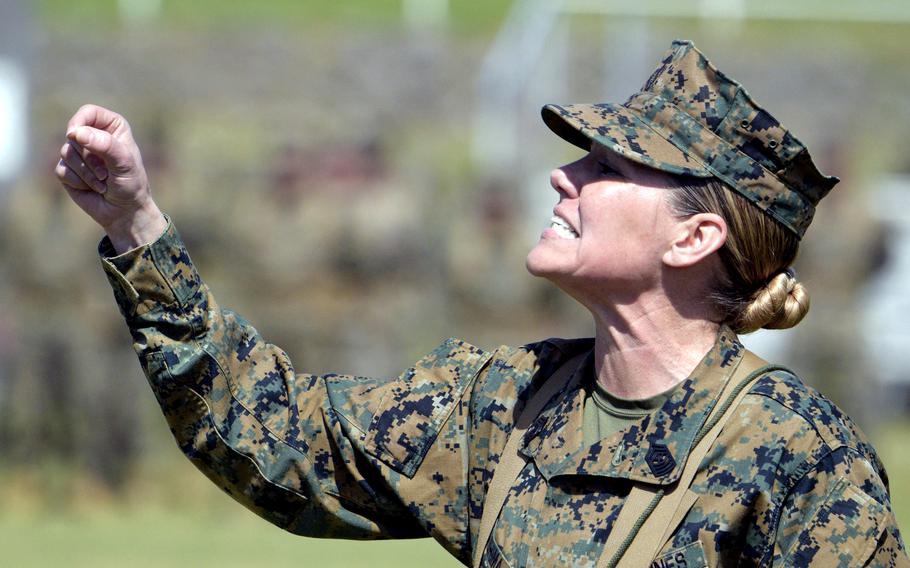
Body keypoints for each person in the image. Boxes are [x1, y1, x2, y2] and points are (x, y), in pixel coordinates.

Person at [55, 40, 908, 567]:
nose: (562, 176)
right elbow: (273, 437)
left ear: (694, 240)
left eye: (608, 169)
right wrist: (138, 226)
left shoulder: (800, 460)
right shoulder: (500, 406)